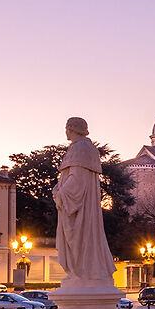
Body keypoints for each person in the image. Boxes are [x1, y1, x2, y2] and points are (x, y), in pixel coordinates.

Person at [53, 117, 118, 285]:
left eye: (67, 128)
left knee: (77, 237)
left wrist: (61, 193)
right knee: (78, 238)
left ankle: (82, 272)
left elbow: (77, 180)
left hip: (78, 206)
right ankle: (81, 272)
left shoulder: (81, 148)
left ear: (74, 129)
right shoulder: (82, 148)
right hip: (79, 204)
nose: (65, 131)